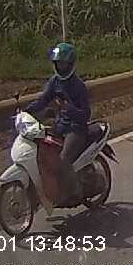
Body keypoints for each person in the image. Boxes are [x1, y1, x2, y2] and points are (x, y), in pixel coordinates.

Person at [24, 42, 90, 204]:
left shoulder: (79, 86)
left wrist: (70, 109)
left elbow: (85, 115)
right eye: (58, 63)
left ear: (70, 64)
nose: (60, 67)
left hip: (76, 129)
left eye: (63, 64)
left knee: (63, 160)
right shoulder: (55, 82)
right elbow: (43, 100)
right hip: (60, 126)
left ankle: (76, 191)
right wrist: (26, 111)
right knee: (42, 153)